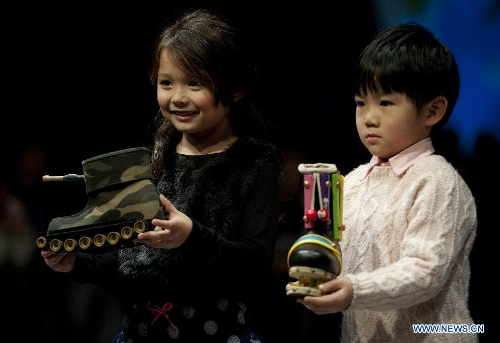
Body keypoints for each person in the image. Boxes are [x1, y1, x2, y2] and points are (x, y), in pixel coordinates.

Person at [41, 8, 282, 343]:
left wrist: (192, 237)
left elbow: (255, 266)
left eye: (195, 83)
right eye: (167, 83)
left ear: (235, 88)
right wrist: (77, 264)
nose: (178, 97)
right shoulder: (155, 159)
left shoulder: (255, 163)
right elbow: (133, 260)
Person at [287, 22, 478, 342]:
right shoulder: (354, 181)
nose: (369, 117)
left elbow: (425, 272)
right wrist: (317, 280)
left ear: (433, 110)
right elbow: (342, 266)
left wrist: (353, 291)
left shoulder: (438, 181)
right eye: (361, 103)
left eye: (385, 103)